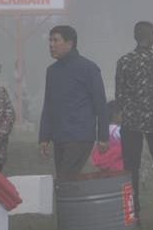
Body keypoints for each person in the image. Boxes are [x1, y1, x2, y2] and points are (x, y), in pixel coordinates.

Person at [115, 21, 153, 224]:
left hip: (131, 121)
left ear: (135, 36)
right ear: (152, 37)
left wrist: (133, 107)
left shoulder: (124, 61)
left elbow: (119, 95)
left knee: (130, 168)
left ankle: (133, 213)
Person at [38, 25, 108, 181]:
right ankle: (72, 205)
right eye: (50, 40)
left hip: (80, 136)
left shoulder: (89, 68)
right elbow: (48, 105)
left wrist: (103, 136)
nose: (51, 45)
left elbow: (100, 104)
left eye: (56, 40)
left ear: (69, 43)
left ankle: (68, 205)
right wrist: (44, 136)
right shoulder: (52, 71)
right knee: (65, 180)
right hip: (59, 136)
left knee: (64, 180)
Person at [90, 101, 125, 174]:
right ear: (115, 114)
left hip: (103, 162)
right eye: (122, 113)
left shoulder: (102, 129)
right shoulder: (118, 130)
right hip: (116, 164)